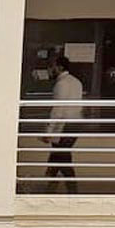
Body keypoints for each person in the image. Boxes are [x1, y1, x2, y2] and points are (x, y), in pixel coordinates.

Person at [43, 55, 83, 194]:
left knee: (62, 156)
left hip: (64, 125)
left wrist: (48, 131)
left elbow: (57, 109)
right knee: (59, 154)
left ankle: (71, 189)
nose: (50, 69)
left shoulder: (61, 84)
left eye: (52, 66)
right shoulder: (77, 82)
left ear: (60, 67)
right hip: (75, 123)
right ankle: (51, 185)